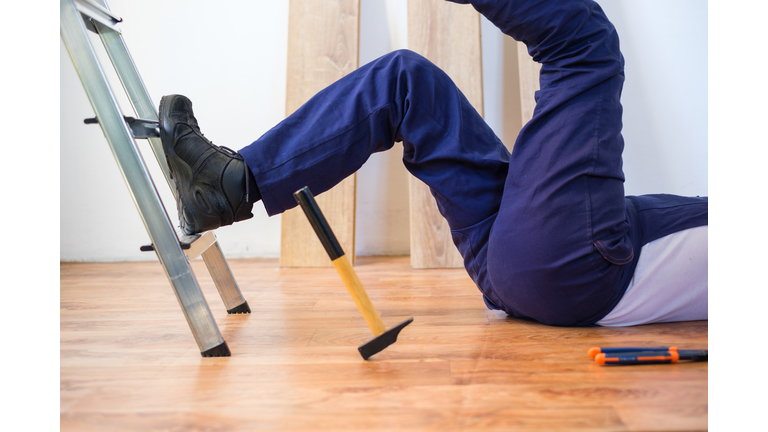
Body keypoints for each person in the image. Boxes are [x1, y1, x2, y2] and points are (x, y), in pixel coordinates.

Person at [157, 0, 707, 327]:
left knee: (587, 45)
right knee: (406, 82)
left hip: (574, 271)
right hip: (520, 259)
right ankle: (228, 186)